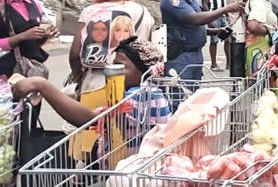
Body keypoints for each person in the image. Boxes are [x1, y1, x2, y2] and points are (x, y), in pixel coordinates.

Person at [14, 37, 170, 145]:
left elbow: (90, 120)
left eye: (121, 66)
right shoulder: (145, 91)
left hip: (134, 178)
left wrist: (42, 85)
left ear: (145, 72)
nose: (112, 71)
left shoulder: (143, 96)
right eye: (113, 65)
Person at [71, 0, 155, 95]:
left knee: (94, 116)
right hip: (134, 87)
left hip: (95, 85)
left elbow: (75, 54)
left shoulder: (90, 12)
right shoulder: (143, 12)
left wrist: (78, 78)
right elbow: (150, 52)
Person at [161, 0, 243, 87]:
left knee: (193, 98)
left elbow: (192, 26)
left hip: (196, 54)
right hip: (181, 55)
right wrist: (225, 9)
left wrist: (215, 31)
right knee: (180, 97)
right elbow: (195, 19)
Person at [0, 0, 58, 79]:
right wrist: (23, 36)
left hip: (31, 69)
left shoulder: (33, 4)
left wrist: (44, 35)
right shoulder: (2, 6)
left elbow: (33, 43)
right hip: (5, 71)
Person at [242, 0, 278, 77]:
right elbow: (253, 26)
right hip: (259, 53)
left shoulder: (263, 0)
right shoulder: (258, 2)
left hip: (261, 51)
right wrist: (270, 30)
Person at [201, 0, 229, 72]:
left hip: (222, 15)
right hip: (214, 15)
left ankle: (228, 63)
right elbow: (204, 3)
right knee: (214, 40)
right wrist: (209, 18)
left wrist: (227, 15)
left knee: (228, 38)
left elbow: (224, 0)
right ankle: (213, 64)